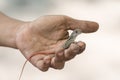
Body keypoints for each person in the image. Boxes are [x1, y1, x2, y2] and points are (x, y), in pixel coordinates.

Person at [0, 12, 99, 71]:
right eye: (77, 31)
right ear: (75, 33)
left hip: (62, 47)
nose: (78, 32)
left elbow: (68, 43)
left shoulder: (72, 38)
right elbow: (69, 43)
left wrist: (18, 31)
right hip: (63, 46)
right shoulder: (72, 37)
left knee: (70, 48)